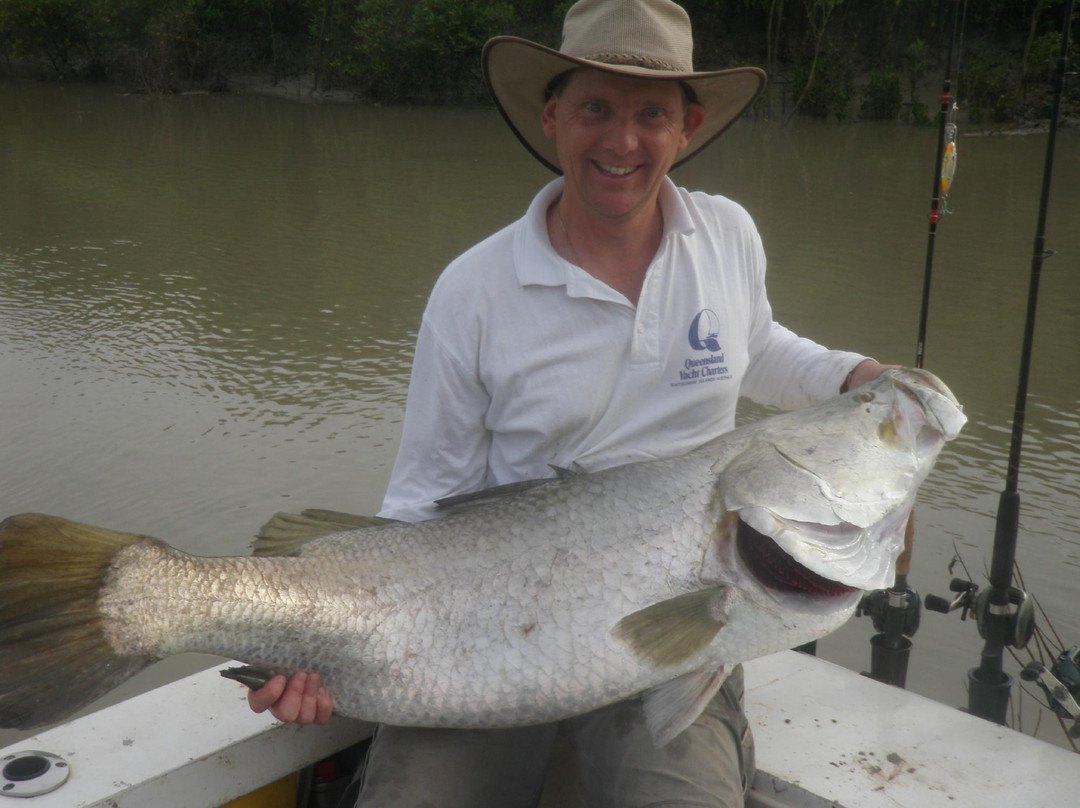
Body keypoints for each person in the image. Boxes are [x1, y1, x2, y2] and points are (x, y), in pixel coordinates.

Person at [248, 0, 889, 805]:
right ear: (553, 118)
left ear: (686, 126)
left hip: (674, 641)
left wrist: (854, 379)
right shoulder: (472, 291)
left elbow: (755, 346)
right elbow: (418, 503)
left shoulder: (728, 236)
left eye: (649, 114)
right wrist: (319, 646)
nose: (621, 142)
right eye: (595, 109)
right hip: (479, 638)